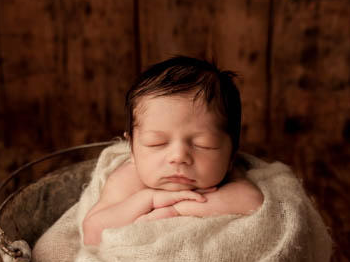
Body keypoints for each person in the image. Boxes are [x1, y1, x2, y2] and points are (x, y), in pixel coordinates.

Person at [82, 56, 264, 246]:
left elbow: (253, 202)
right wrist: (150, 199)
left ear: (231, 156)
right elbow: (93, 231)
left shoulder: (229, 178)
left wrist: (176, 209)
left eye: (204, 145)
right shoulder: (128, 180)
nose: (178, 157)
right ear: (133, 151)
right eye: (156, 143)